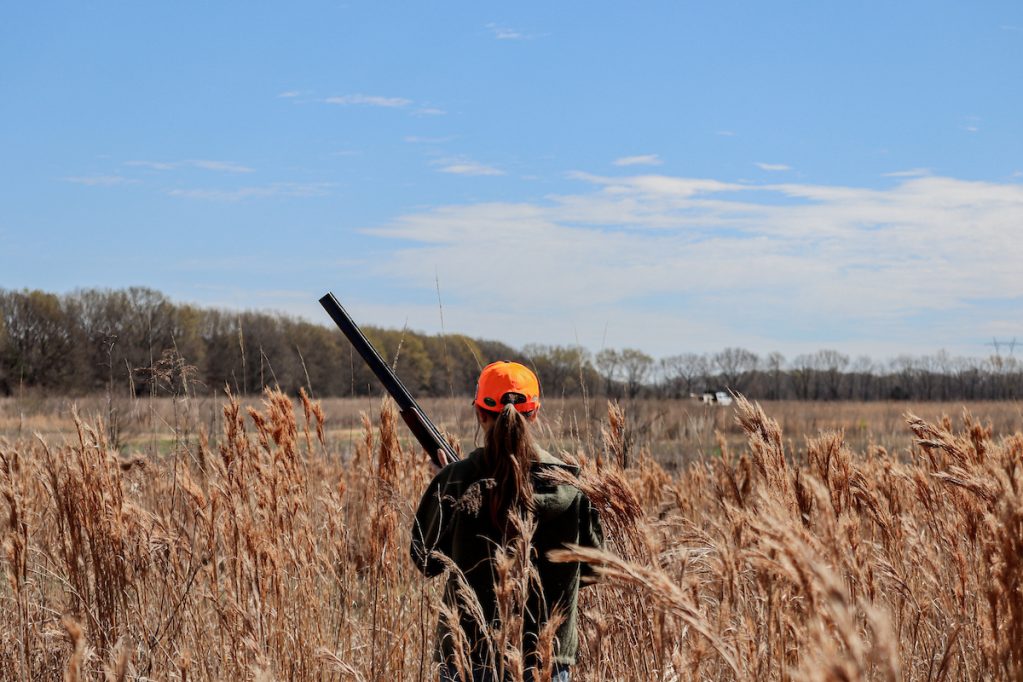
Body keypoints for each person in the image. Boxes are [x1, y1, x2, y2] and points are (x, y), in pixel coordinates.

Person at [410, 361, 604, 682]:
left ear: (480, 413)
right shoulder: (571, 487)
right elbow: (593, 569)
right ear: (535, 413)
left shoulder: (458, 481)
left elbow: (425, 560)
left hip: (467, 658)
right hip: (545, 661)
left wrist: (447, 484)